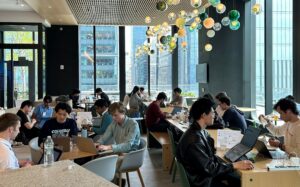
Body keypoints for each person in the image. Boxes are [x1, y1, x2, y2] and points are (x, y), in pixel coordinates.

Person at [176, 98, 254, 187]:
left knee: (237, 180)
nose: (214, 116)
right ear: (204, 115)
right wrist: (234, 165)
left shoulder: (199, 131)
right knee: (239, 181)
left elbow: (208, 160)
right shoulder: (194, 140)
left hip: (202, 176)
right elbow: (209, 168)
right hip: (202, 182)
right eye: (212, 113)